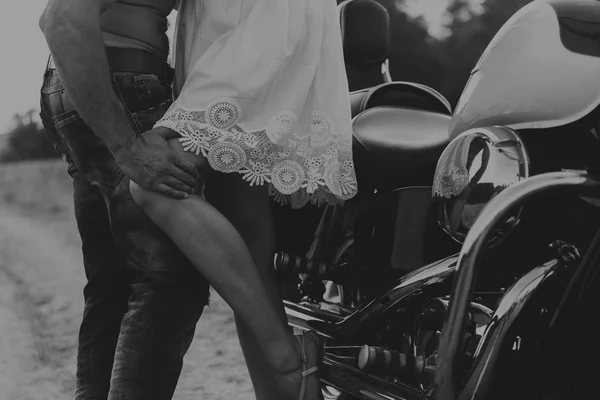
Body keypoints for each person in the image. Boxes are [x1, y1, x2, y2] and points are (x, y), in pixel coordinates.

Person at [129, 1, 358, 399]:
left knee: (153, 180)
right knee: (246, 229)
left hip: (257, 29)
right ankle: (289, 389)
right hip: (228, 29)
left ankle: (287, 358)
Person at [38, 0, 210, 398]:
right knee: (172, 276)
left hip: (82, 83)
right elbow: (61, 18)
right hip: (116, 82)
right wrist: (127, 147)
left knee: (112, 282)